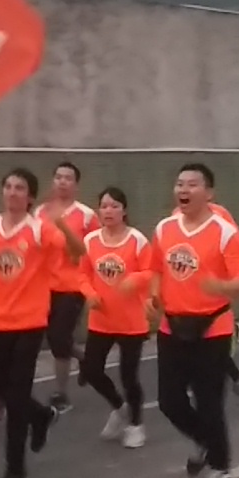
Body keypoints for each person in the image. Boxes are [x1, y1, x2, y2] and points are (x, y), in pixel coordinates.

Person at [0, 168, 85, 478]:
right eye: (8, 186)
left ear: (30, 197)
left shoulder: (39, 229)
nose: (12, 192)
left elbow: (78, 252)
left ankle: (15, 467)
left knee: (17, 393)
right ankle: (40, 416)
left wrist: (60, 223)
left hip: (30, 321)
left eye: (20, 187)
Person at [151, 163, 239, 478]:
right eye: (179, 183)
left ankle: (220, 466)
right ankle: (205, 441)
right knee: (169, 401)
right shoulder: (165, 228)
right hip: (172, 325)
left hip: (213, 326)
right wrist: (154, 295)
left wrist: (220, 286)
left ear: (209, 193)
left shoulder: (224, 232)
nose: (184, 190)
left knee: (209, 402)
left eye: (192, 184)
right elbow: (155, 269)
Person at [78, 186, 155, 446]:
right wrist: (89, 293)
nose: (108, 211)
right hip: (101, 319)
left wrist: (135, 280)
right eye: (104, 206)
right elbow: (82, 273)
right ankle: (120, 407)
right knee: (91, 370)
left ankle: (136, 425)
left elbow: (151, 271)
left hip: (131, 321)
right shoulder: (90, 241)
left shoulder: (137, 240)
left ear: (124, 210)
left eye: (114, 206)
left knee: (128, 375)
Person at [38, 162, 98, 415]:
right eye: (58, 177)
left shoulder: (86, 215)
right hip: (43, 286)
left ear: (76, 184)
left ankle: (61, 393)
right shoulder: (40, 212)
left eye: (68, 178)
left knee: (59, 337)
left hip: (72, 286)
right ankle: (85, 359)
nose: (62, 182)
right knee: (52, 338)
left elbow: (93, 250)